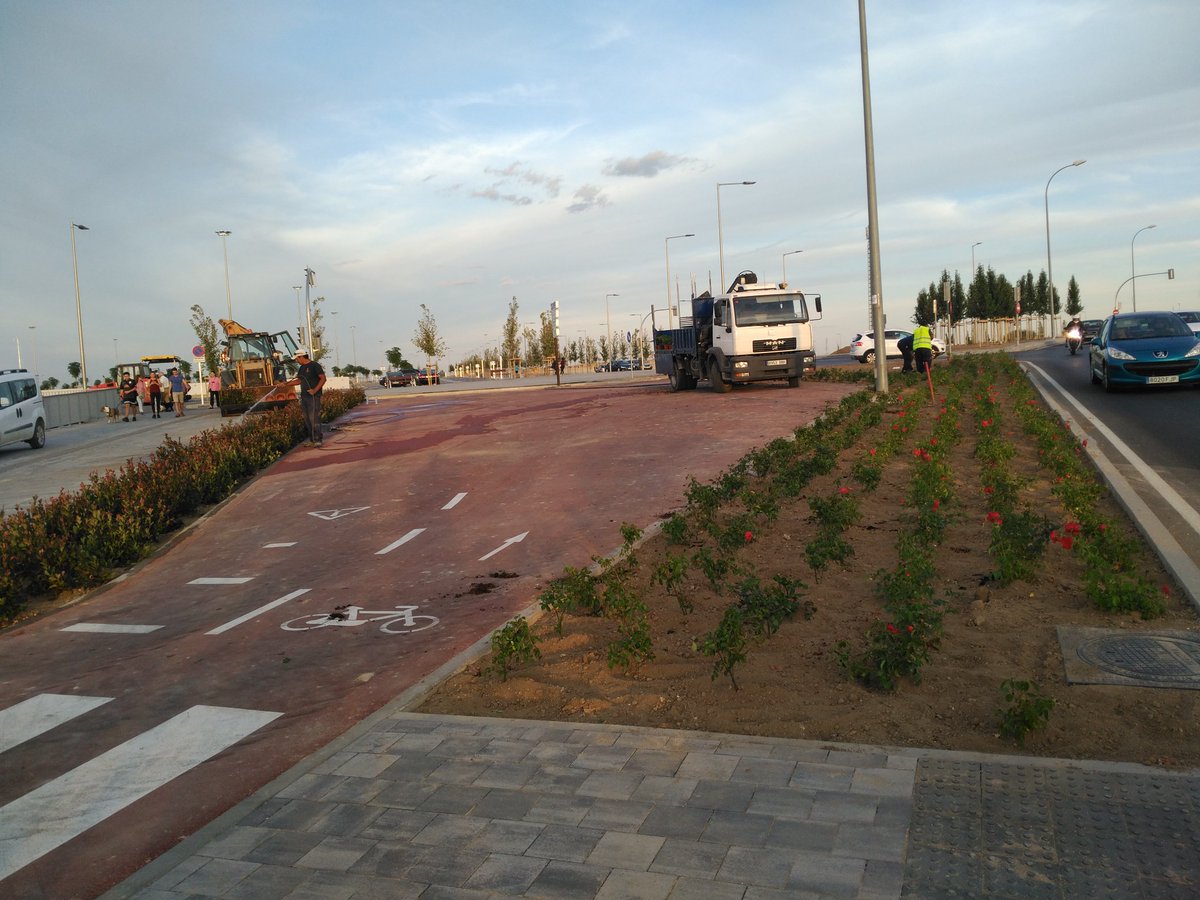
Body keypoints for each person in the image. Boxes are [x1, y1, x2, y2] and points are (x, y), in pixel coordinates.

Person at [294, 348, 326, 446]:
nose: (296, 361)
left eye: (297, 359)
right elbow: (299, 381)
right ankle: (312, 439)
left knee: (314, 418)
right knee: (307, 418)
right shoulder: (302, 368)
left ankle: (318, 439)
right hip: (304, 396)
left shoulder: (314, 366)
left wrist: (314, 390)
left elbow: (323, 379)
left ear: (301, 357)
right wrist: (285, 384)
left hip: (313, 397)